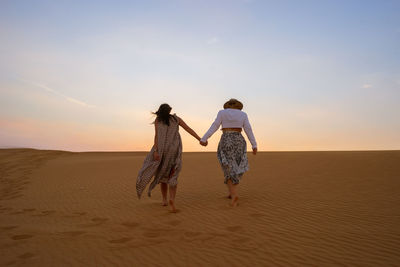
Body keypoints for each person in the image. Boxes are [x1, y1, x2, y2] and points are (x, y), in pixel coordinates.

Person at [136, 103, 204, 212]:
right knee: (173, 174)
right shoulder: (176, 119)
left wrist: (156, 151)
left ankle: (164, 200)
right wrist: (200, 139)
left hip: (162, 150)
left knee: (163, 175)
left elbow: (157, 136)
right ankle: (172, 199)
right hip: (174, 149)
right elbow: (188, 129)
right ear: (169, 110)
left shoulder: (158, 120)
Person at [200, 99, 257, 207]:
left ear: (227, 105)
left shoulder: (222, 112)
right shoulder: (243, 114)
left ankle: (234, 194)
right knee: (237, 165)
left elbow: (215, 126)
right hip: (239, 140)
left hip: (226, 139)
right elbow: (248, 129)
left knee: (227, 166)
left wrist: (204, 138)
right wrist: (254, 145)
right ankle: (231, 193)